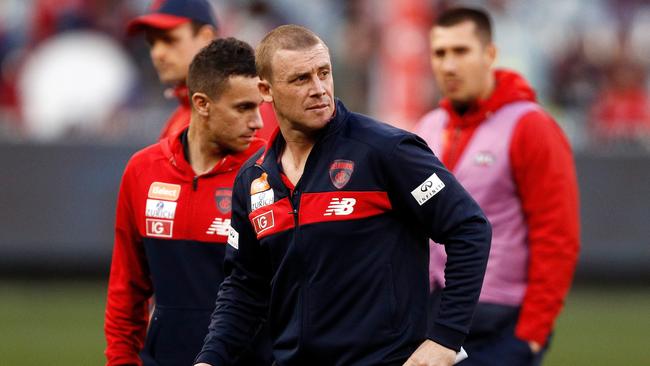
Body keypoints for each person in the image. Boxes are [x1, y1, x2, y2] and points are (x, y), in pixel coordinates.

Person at [194, 24, 492, 366]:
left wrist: (445, 338)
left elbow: (469, 227)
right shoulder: (253, 179)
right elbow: (244, 287)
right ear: (266, 89)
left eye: (324, 73)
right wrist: (210, 359)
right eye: (301, 79)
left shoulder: (386, 150)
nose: (319, 89)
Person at [415, 7, 580, 365]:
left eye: (461, 51)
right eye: (440, 53)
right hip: (435, 314)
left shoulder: (530, 126)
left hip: (500, 322)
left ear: (490, 54)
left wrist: (532, 336)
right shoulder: (427, 127)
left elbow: (557, 236)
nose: (449, 65)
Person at [105, 37, 272, 366]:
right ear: (202, 104)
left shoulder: (269, 173)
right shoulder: (143, 171)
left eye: (259, 106)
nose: (258, 122)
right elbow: (127, 288)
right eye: (243, 108)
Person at [127, 0, 277, 141]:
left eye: (169, 40)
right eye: (152, 43)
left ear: (206, 37)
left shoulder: (247, 107)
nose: (157, 53)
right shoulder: (178, 118)